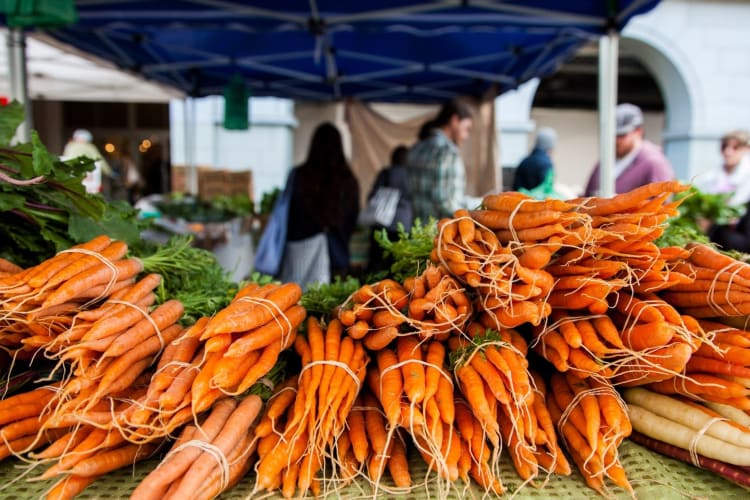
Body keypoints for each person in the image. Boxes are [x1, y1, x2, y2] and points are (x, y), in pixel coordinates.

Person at [281, 122, 360, 288]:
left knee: (295, 301)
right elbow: (353, 217)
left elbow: (288, 214)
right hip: (337, 252)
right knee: (334, 306)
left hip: (300, 249)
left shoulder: (299, 175)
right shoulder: (347, 180)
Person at [584, 103, 675, 196]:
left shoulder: (654, 163)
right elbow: (586, 196)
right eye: (611, 135)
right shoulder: (605, 162)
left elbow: (661, 205)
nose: (615, 140)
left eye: (621, 135)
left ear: (638, 131)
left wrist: (618, 205)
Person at [407, 99, 473, 221]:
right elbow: (446, 202)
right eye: (466, 129)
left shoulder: (416, 148)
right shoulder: (447, 152)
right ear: (455, 120)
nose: (466, 136)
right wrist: (472, 217)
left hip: (417, 233)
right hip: (442, 234)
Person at [366, 144, 414, 274]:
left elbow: (372, 197)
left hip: (381, 223)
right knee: (399, 264)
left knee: (376, 262)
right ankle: (393, 291)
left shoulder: (385, 174)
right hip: (404, 226)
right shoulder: (412, 176)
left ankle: (371, 289)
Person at [694, 129, 750, 207]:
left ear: (747, 149)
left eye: (735, 147)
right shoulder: (710, 175)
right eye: (724, 146)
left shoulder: (747, 175)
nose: (727, 152)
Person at [62, 129, 112, 194]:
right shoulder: (90, 147)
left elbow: (65, 159)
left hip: (71, 177)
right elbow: (99, 160)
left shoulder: (69, 146)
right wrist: (109, 172)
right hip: (87, 178)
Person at [512, 127, 557, 191]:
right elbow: (547, 190)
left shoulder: (524, 162)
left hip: (520, 200)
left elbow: (515, 188)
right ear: (550, 147)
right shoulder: (547, 164)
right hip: (539, 200)